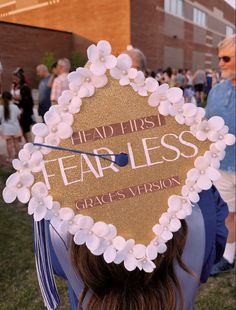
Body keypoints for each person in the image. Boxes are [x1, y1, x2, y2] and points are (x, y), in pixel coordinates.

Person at [42, 186, 228, 310]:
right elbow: (214, 245)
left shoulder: (57, 195)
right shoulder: (195, 188)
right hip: (175, 297)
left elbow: (57, 263)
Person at [206, 34, 236, 275]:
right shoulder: (215, 92)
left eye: (226, 58)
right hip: (223, 166)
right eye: (219, 59)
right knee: (229, 214)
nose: (221, 63)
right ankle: (228, 256)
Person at [12, 69, 34, 142]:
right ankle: (26, 144)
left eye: (16, 78)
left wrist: (14, 98)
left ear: (21, 78)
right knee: (20, 129)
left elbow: (27, 100)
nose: (15, 79)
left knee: (26, 129)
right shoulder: (13, 85)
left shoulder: (25, 87)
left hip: (24, 110)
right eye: (14, 77)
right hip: (15, 110)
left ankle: (30, 144)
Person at [0, 91, 22, 161]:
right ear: (11, 98)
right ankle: (19, 157)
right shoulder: (15, 107)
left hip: (6, 129)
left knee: (9, 143)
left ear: (2, 99)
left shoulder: (0, 108)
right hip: (15, 127)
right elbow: (19, 116)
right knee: (16, 143)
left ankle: (10, 158)